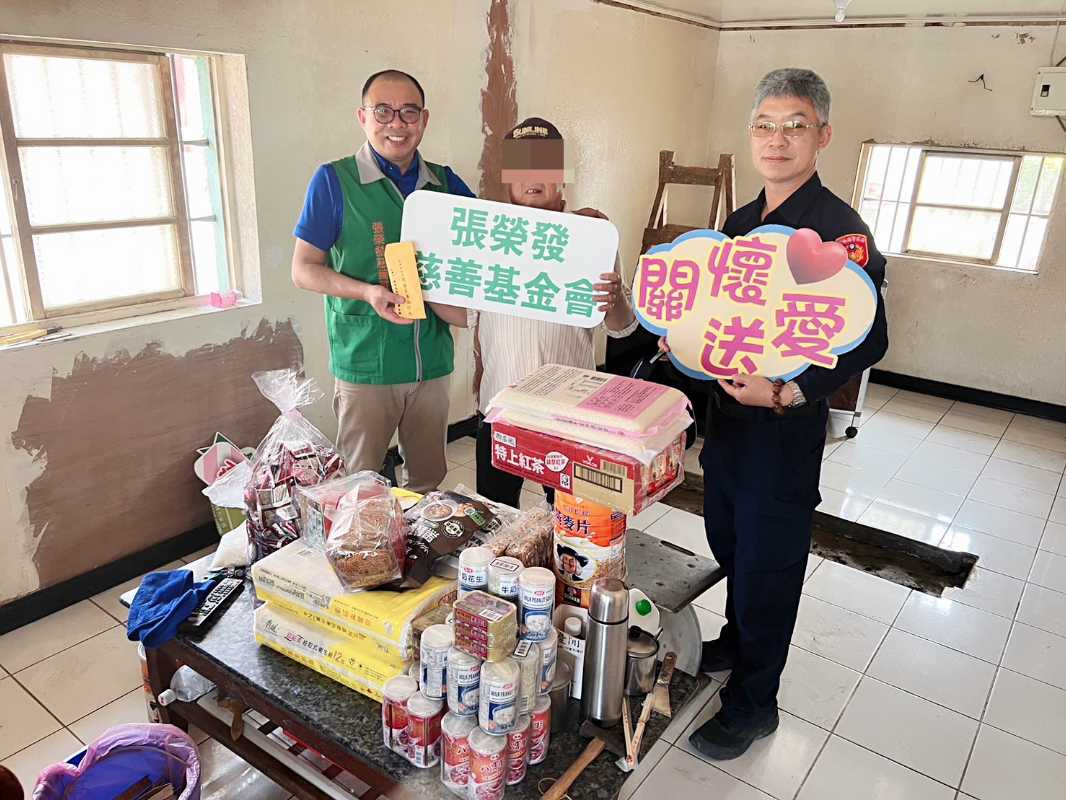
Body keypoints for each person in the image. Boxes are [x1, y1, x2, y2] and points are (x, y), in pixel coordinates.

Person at [678, 68, 889, 760]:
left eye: (795, 125)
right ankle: (737, 643)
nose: (777, 138)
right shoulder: (740, 225)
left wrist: (792, 391)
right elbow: (720, 318)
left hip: (781, 432)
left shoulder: (840, 231)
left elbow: (870, 337)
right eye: (765, 125)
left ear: (822, 136)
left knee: (770, 565)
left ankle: (754, 703)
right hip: (730, 428)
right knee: (731, 542)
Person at [431, 117, 638, 508]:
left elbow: (622, 328)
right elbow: (468, 315)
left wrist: (616, 301)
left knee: (574, 519)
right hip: (502, 407)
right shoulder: (487, 239)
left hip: (571, 415)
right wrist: (419, 285)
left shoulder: (592, 234)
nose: (532, 179)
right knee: (497, 516)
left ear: (562, 176)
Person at [291, 69, 476, 493]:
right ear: (362, 117)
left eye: (409, 112)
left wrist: (572, 224)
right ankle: (370, 560)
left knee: (428, 481)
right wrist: (367, 291)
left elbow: (495, 237)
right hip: (366, 363)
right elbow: (303, 269)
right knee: (361, 484)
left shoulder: (444, 184)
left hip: (430, 359)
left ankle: (423, 556)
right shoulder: (334, 181)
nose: (397, 123)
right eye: (383, 111)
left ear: (424, 120)